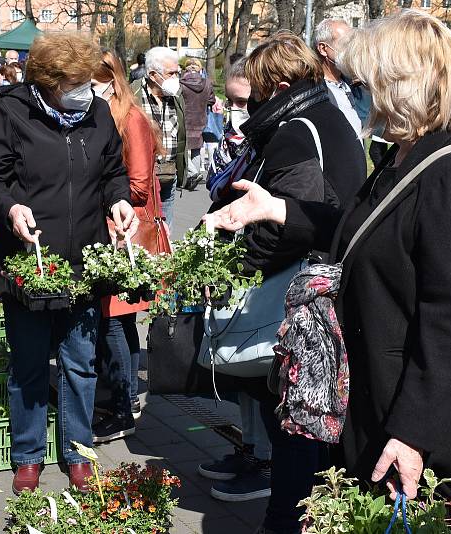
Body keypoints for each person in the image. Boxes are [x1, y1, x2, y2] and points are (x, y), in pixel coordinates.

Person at [211, 11, 451, 533]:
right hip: (386, 401)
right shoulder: (407, 155)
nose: (362, 97)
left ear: (403, 84)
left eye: (366, 84)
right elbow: (365, 235)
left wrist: (412, 433)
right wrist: (280, 209)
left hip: (439, 431)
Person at [215, 30, 366, 526]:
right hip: (330, 279)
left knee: (294, 417)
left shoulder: (297, 128)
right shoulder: (329, 115)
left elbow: (290, 221)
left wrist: (238, 268)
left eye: (257, 90)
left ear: (276, 86)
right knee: (309, 416)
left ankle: (285, 518)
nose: (253, 100)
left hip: (305, 290)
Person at [0, 33, 135, 495]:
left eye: (86, 80)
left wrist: (120, 201)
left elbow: (112, 172)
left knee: (80, 362)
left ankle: (78, 453)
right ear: (47, 81)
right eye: (73, 81)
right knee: (28, 363)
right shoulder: (12, 110)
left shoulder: (98, 113)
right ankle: (27, 456)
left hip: (84, 258)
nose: (84, 89)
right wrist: (10, 208)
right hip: (29, 260)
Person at [196, 56, 273, 503]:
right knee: (242, 372)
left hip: (262, 266)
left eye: (244, 101)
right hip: (238, 256)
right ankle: (250, 448)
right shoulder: (249, 137)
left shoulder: (280, 134)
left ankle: (266, 460)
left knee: (257, 368)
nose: (237, 109)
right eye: (231, 101)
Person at [89, 50, 165, 443]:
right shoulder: (108, 114)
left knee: (115, 320)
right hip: (113, 231)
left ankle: (120, 409)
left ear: (109, 80)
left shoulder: (131, 119)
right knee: (118, 320)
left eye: (91, 82)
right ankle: (124, 398)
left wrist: (92, 190)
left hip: (126, 233)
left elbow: (137, 184)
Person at [131, 47, 187, 232]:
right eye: (171, 73)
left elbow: (181, 135)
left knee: (166, 232)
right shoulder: (132, 94)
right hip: (142, 178)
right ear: (153, 75)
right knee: (143, 231)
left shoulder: (176, 96)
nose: (176, 78)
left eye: (177, 73)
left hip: (168, 175)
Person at [313, 18, 363, 140]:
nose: (351, 49)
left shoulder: (352, 85)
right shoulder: (314, 92)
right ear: (323, 49)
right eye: (345, 43)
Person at [180, 58, 216, 189]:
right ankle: (195, 176)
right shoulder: (207, 83)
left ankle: (193, 174)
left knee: (181, 148)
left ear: (186, 69)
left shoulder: (180, 84)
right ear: (200, 69)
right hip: (200, 119)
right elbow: (211, 100)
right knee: (196, 148)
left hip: (183, 120)